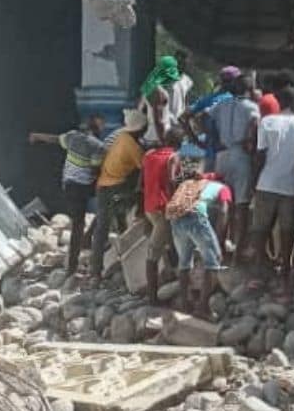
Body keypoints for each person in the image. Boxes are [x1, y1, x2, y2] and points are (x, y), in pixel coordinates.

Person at [28, 114, 106, 274]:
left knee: (78, 222)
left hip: (68, 186)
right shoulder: (98, 146)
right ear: (97, 130)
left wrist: (37, 136)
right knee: (90, 216)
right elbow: (95, 169)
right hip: (84, 188)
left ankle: (76, 258)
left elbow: (55, 139)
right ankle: (75, 263)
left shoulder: (72, 137)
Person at [251, 87, 294, 295]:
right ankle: (284, 271)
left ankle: (259, 270)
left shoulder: (267, 122)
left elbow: (260, 155)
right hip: (290, 185)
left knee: (260, 229)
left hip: (266, 183)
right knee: (287, 231)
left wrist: (253, 182)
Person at [165, 162, 230, 314]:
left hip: (175, 217)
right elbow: (224, 212)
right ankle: (203, 307)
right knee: (213, 262)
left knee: (185, 262)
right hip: (195, 217)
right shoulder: (223, 188)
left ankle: (185, 303)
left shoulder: (191, 184)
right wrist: (219, 241)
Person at [91, 108, 147, 280]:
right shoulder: (133, 146)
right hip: (117, 187)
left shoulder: (121, 137)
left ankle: (96, 270)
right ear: (139, 129)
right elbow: (144, 167)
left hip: (102, 184)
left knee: (102, 227)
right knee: (140, 192)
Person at [209, 74, 260, 253]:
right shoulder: (251, 107)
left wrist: (211, 140)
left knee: (224, 202)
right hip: (241, 154)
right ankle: (240, 248)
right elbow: (255, 125)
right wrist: (249, 140)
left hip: (222, 154)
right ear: (249, 89)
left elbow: (203, 117)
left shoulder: (221, 104)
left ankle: (220, 244)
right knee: (242, 204)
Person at [140, 128, 183, 302]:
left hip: (149, 207)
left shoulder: (149, 155)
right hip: (163, 209)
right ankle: (152, 297)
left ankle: (172, 280)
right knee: (153, 253)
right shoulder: (173, 157)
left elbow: (142, 182)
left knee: (170, 243)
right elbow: (172, 181)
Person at [186, 66, 241, 169]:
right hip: (229, 154)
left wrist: (195, 140)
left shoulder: (209, 98)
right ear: (234, 81)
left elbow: (184, 117)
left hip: (211, 153)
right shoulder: (232, 99)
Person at [168, 50, 195, 120]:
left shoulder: (188, 81)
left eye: (184, 63)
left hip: (180, 121)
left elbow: (186, 101)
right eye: (179, 62)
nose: (182, 65)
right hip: (167, 120)